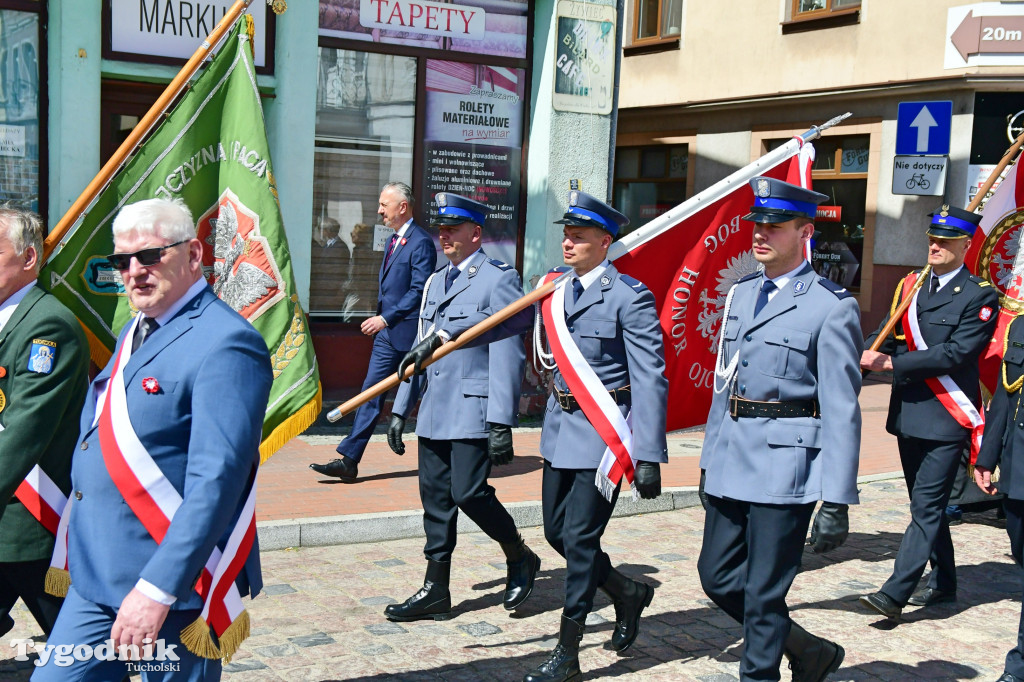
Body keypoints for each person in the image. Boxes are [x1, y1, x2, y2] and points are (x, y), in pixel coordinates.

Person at [33, 198, 273, 681]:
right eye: (122, 261)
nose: (135, 271)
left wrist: (158, 589)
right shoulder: (136, 326)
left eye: (151, 256)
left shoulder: (227, 342)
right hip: (97, 569)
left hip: (169, 583)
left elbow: (216, 482)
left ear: (193, 254)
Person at [698, 177, 861, 682]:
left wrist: (835, 498)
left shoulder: (832, 305)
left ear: (805, 231)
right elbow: (725, 383)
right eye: (757, 224)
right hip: (732, 457)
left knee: (766, 591)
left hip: (785, 462)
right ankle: (808, 649)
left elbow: (842, 408)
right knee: (718, 577)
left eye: (775, 225)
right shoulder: (742, 294)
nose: (761, 234)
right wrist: (708, 459)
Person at [501, 191, 667, 682]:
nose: (568, 243)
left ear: (605, 240)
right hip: (559, 428)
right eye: (566, 234)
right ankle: (627, 592)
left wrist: (651, 454)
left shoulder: (629, 295)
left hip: (603, 437)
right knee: (557, 532)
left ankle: (567, 651)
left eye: (578, 235)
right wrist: (438, 343)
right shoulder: (554, 290)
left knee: (580, 540)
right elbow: (501, 325)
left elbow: (650, 377)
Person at [382, 193, 540, 622]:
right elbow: (419, 352)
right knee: (434, 499)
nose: (444, 236)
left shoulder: (498, 278)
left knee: (469, 493)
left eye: (453, 229)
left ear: (475, 233)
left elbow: (509, 349)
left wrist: (501, 420)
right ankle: (436, 588)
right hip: (435, 407)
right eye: (441, 229)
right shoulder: (435, 281)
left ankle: (519, 555)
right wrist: (401, 408)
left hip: (474, 407)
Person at [859, 205, 999, 621]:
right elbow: (886, 330)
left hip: (946, 416)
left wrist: (892, 365)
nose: (935, 246)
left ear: (965, 245)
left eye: (945, 241)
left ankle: (894, 592)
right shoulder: (912, 286)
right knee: (926, 504)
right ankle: (945, 582)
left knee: (926, 507)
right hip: (909, 412)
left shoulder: (980, 295)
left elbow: (957, 353)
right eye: (932, 239)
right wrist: (866, 352)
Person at [0, 208, 89, 639]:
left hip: (28, 518)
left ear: (29, 259)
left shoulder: (46, 326)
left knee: (78, 646)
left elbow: (21, 432)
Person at [310, 182, 435, 482]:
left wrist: (385, 319)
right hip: (387, 337)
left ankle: (444, 463)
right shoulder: (395, 240)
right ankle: (349, 460)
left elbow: (420, 290)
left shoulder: (420, 242)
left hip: (410, 337)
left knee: (423, 395)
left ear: (402, 207)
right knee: (370, 393)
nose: (379, 210)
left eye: (384, 204)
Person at [976, 315, 1024, 682]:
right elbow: (1006, 398)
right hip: (1019, 472)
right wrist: (987, 457)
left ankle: (1018, 667)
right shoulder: (1020, 326)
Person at [308, 216, 351, 312]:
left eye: (321, 229)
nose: (319, 231)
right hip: (324, 290)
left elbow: (338, 272)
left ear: (328, 230)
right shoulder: (328, 244)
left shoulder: (340, 248)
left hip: (330, 292)